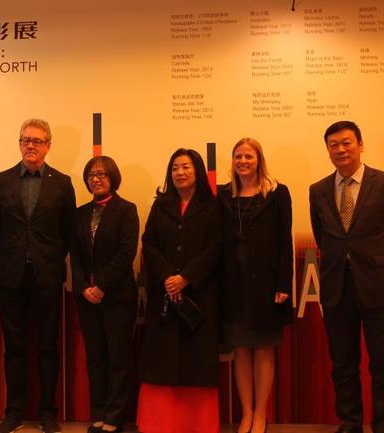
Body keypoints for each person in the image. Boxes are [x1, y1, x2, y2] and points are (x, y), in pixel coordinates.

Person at [309, 121, 384, 433]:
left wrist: (372, 264)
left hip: (378, 287)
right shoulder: (318, 190)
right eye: (333, 145)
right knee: (343, 365)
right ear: (327, 150)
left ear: (361, 145)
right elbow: (323, 237)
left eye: (346, 143)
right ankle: (350, 423)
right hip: (338, 289)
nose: (340, 149)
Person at [0, 118, 76, 433]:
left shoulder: (63, 183)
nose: (31, 145)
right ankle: (14, 411)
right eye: (26, 139)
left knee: (47, 346)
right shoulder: (0, 181)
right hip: (10, 276)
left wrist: (45, 256)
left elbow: (69, 233)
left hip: (48, 275)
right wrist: (16, 254)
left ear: (48, 146)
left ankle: (47, 412)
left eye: (38, 141)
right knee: (14, 346)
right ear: (19, 143)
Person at [137, 148, 221, 433]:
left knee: (197, 363)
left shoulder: (213, 206)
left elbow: (216, 248)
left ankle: (197, 424)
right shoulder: (160, 205)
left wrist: (186, 277)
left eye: (185, 167)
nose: (180, 173)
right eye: (174, 168)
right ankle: (159, 423)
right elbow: (149, 243)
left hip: (199, 296)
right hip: (165, 297)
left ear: (197, 170)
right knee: (161, 361)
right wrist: (167, 277)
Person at [219, 138, 293, 433]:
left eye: (249, 156)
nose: (243, 161)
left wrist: (283, 283)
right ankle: (246, 414)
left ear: (259, 160)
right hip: (233, 286)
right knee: (241, 349)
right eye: (238, 156)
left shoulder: (276, 193)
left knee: (263, 349)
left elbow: (284, 242)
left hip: (266, 284)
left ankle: (261, 413)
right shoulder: (223, 195)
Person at [71, 156, 139, 433]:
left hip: (117, 297)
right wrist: (84, 287)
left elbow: (126, 254)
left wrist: (102, 287)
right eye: (91, 174)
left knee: (117, 358)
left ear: (113, 177)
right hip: (87, 298)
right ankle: (98, 412)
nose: (96, 178)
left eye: (101, 174)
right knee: (96, 357)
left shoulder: (126, 210)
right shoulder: (79, 213)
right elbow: (74, 255)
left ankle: (115, 415)